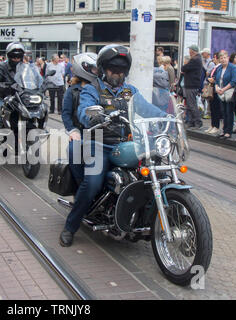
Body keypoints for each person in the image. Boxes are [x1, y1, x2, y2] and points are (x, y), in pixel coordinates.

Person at [59, 44, 166, 247]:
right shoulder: (92, 89)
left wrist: (167, 117)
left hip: (127, 144)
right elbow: (83, 111)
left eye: (121, 70)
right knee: (92, 183)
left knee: (154, 174)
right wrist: (94, 116)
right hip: (98, 143)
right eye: (113, 69)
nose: (117, 74)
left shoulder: (130, 91)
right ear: (102, 70)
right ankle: (70, 226)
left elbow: (147, 109)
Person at [61, 52, 98, 186]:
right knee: (73, 151)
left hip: (99, 132)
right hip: (80, 132)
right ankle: (80, 186)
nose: (96, 71)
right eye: (93, 69)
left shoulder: (101, 89)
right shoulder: (72, 91)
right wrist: (72, 130)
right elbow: (66, 113)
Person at [212, 50, 236, 139]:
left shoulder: (233, 68)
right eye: (221, 58)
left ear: (228, 58)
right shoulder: (219, 68)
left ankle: (228, 131)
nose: (223, 60)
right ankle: (224, 130)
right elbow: (216, 79)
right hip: (220, 93)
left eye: (224, 58)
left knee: (229, 111)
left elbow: (234, 81)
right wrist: (216, 87)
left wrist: (223, 89)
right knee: (223, 112)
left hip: (229, 92)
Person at [181, 44, 203, 128]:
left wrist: (185, 67)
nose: (189, 52)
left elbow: (184, 68)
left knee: (192, 104)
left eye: (190, 50)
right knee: (190, 105)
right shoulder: (197, 59)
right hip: (191, 84)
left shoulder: (195, 60)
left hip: (192, 85)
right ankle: (190, 121)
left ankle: (198, 121)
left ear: (192, 51)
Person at [204, 52, 222, 135]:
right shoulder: (215, 67)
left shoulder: (219, 67)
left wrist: (213, 79)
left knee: (216, 108)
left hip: (216, 89)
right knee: (212, 108)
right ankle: (212, 125)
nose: (213, 59)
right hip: (212, 88)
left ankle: (216, 126)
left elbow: (217, 77)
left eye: (214, 57)